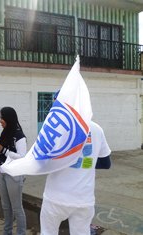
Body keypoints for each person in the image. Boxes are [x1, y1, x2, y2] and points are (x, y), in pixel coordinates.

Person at [39, 92, 111, 235]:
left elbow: (41, 163)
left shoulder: (52, 130)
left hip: (55, 198)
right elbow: (106, 163)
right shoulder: (96, 129)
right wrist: (85, 164)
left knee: (48, 232)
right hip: (83, 199)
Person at [0, 107, 27, 235]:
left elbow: (22, 157)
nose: (0, 121)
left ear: (9, 118)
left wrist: (2, 150)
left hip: (14, 175)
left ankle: (21, 233)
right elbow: (0, 152)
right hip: (2, 172)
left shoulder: (19, 136)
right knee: (6, 207)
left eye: (2, 118)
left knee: (17, 208)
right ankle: (7, 232)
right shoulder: (5, 132)